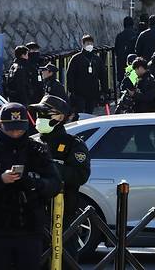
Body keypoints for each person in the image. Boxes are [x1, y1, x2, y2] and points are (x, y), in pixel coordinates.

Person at [0, 103, 62, 270]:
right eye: (10, 130)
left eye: (19, 130)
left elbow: (55, 184)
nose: (15, 134)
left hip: (29, 229)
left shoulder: (37, 150)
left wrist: (33, 183)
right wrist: (0, 180)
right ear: (0, 125)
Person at [28, 95, 90, 260]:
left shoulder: (72, 144)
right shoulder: (32, 144)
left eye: (46, 113)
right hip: (33, 216)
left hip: (62, 216)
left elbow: (80, 175)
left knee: (65, 259)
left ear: (61, 117)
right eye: (39, 114)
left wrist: (49, 167)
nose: (41, 118)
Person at [66, 35, 107, 115]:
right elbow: (70, 75)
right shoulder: (76, 59)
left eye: (91, 43)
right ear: (83, 44)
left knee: (89, 113)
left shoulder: (96, 59)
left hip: (93, 92)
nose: (90, 45)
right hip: (79, 93)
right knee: (79, 113)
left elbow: (103, 75)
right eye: (88, 43)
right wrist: (71, 91)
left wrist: (104, 91)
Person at [114, 16, 138, 83]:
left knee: (122, 82)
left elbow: (116, 50)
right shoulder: (135, 35)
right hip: (133, 63)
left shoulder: (119, 36)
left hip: (121, 63)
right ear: (132, 24)